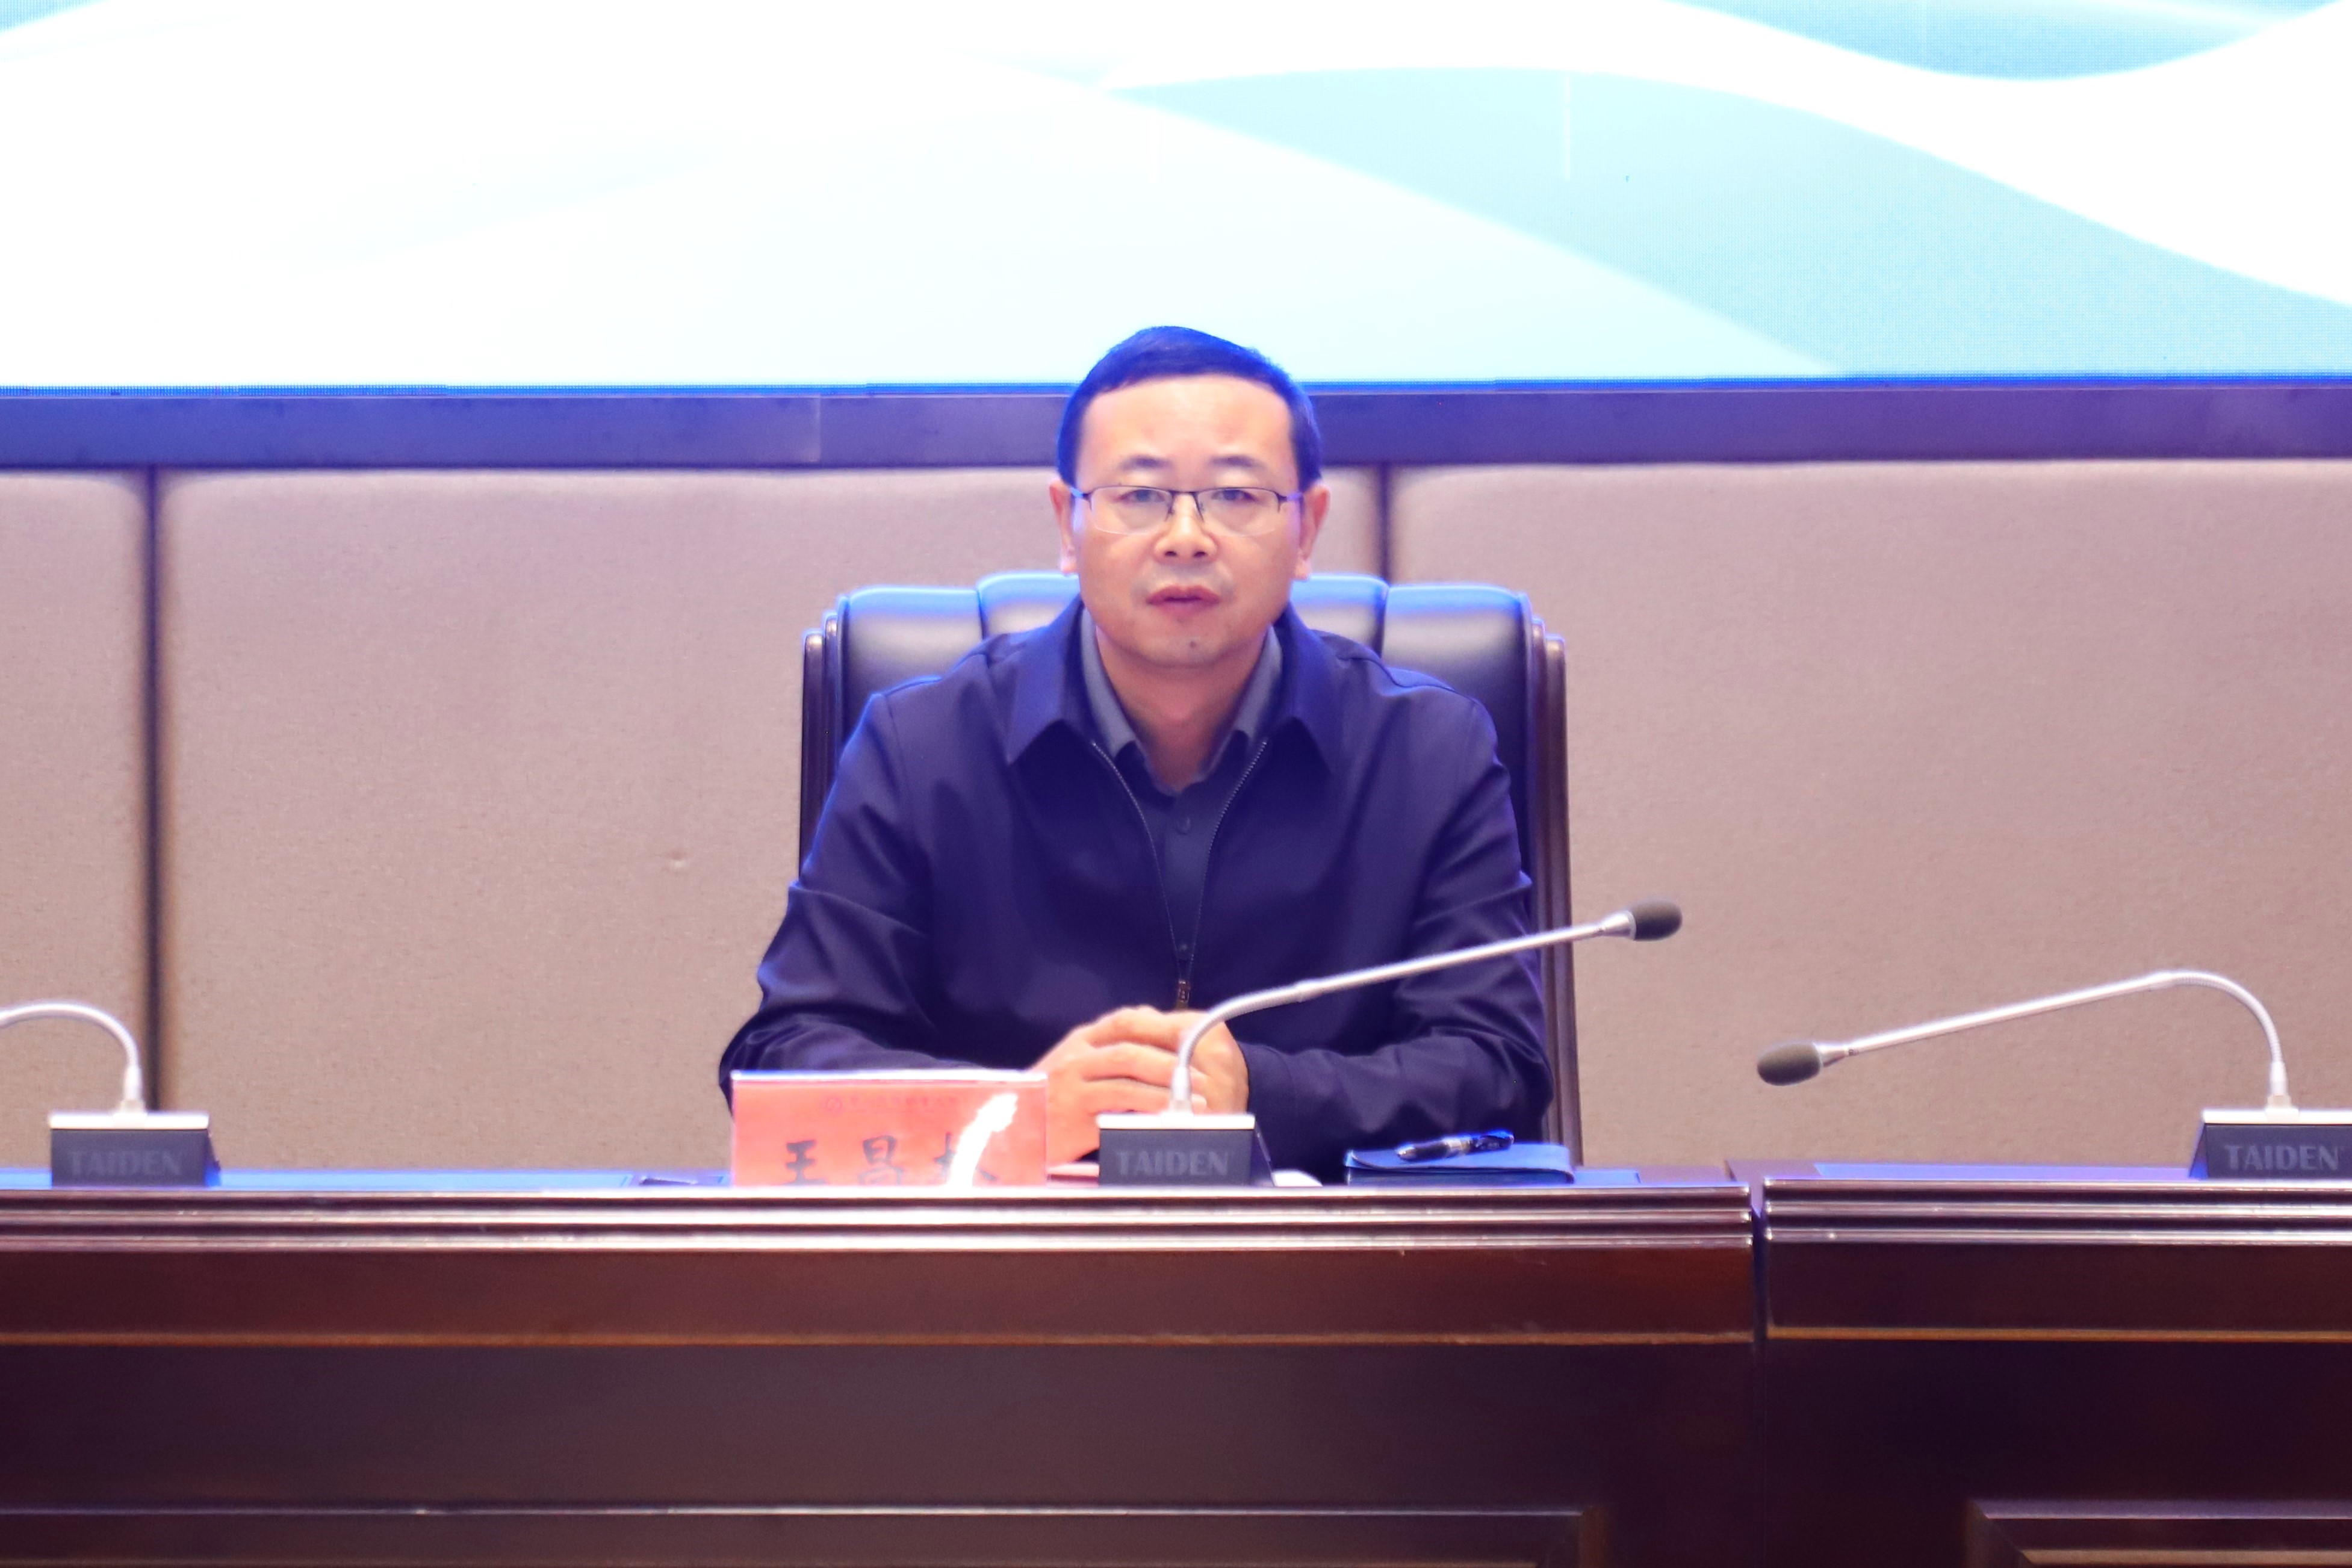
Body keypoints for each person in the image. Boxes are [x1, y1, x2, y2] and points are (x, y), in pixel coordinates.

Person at [720, 326, 1548, 1178]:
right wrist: (1015, 1112)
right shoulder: (922, 747)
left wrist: (1262, 1092)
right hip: (1004, 1255)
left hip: (1327, 1254)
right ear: (1068, 523)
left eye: (1236, 495)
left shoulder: (1426, 754)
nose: (1185, 537)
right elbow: (787, 1056)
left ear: (1307, 529)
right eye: (1140, 496)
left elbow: (1499, 1067)